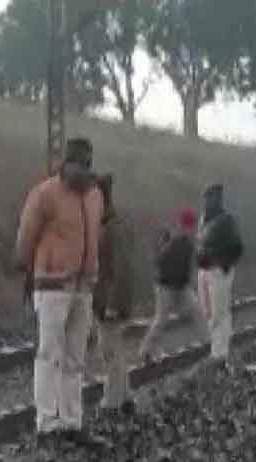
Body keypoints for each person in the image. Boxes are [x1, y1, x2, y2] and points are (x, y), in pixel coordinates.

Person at [14, 138, 104, 445]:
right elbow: (26, 237)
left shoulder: (94, 197)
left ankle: (71, 421)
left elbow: (96, 237)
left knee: (75, 357)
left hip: (83, 286)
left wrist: (94, 275)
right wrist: (28, 271)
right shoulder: (44, 194)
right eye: (79, 163)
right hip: (52, 284)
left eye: (87, 163)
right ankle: (47, 423)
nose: (83, 169)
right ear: (66, 163)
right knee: (50, 353)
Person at [140, 208, 209, 362]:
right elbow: (160, 262)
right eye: (191, 225)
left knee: (196, 311)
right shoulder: (175, 240)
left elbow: (188, 263)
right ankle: (146, 351)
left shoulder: (187, 241)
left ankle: (209, 345)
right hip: (166, 286)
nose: (193, 229)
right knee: (162, 319)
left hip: (181, 285)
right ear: (187, 225)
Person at [92, 174, 136, 415]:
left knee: (109, 349)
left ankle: (112, 400)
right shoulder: (109, 225)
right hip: (107, 297)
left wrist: (112, 303)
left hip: (111, 299)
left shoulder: (113, 228)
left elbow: (121, 267)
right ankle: (126, 396)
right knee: (112, 347)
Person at [195, 183, 243, 364]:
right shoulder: (204, 219)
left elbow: (237, 246)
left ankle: (220, 354)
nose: (207, 201)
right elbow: (200, 243)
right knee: (208, 312)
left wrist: (225, 264)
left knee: (219, 313)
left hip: (218, 270)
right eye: (206, 198)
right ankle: (216, 350)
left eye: (210, 198)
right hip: (204, 270)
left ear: (218, 199)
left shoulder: (226, 220)